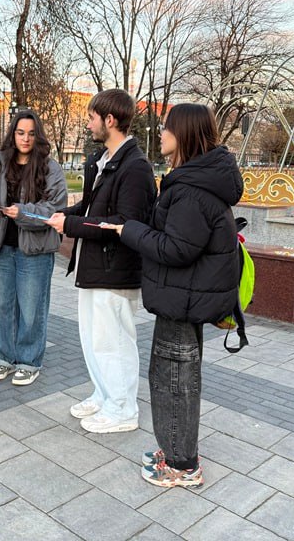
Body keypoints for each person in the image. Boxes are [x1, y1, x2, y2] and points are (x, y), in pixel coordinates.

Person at [103, 103, 243, 488]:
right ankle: (174, 447)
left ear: (184, 135)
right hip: (181, 298)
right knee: (169, 376)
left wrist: (128, 230)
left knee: (174, 381)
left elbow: (176, 248)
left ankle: (183, 464)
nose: (160, 133)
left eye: (166, 128)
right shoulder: (191, 181)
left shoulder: (193, 192)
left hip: (183, 301)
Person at [46, 89, 156, 434]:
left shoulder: (135, 167)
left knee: (114, 343)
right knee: (94, 340)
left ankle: (123, 410)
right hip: (94, 267)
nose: (88, 122)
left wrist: (72, 225)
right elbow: (93, 209)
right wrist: (60, 214)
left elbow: (124, 223)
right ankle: (105, 394)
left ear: (110, 120)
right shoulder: (103, 160)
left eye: (93, 117)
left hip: (116, 270)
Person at [0, 109, 67, 386]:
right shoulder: (1, 164)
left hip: (35, 251)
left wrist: (23, 212)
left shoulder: (50, 168)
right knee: (0, 306)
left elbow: (55, 207)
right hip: (2, 247)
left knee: (31, 308)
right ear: (12, 134)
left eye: (30, 133)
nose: (25, 138)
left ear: (37, 135)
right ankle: (5, 357)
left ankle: (29, 361)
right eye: (20, 132)